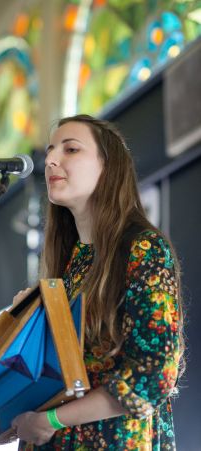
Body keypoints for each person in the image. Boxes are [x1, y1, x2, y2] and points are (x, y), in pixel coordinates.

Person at [11, 114, 185, 450]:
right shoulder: (70, 263)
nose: (50, 160)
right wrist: (30, 324)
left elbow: (155, 373)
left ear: (108, 167)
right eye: (49, 152)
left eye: (71, 149)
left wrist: (50, 421)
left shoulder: (143, 248)